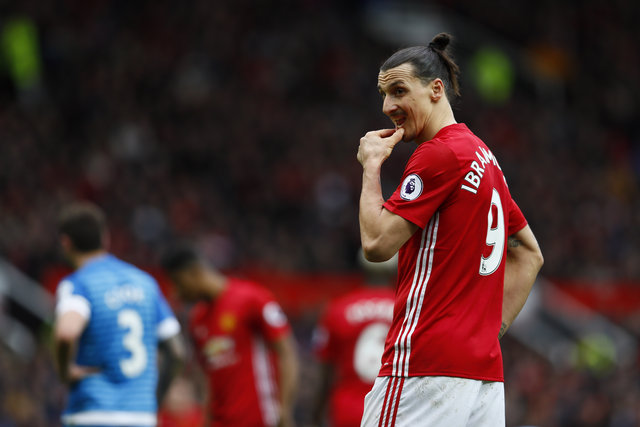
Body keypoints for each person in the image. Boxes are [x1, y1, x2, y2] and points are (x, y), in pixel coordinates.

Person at [356, 33, 544, 426]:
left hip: (424, 367)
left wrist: (371, 165)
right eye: (384, 94)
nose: (388, 106)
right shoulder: (485, 159)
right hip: (482, 376)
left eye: (399, 90)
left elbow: (376, 243)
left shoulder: (439, 153)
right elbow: (529, 254)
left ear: (436, 90)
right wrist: (486, 333)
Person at [53, 202, 185, 427]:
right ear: (105, 238)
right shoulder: (146, 283)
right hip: (141, 416)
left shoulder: (79, 284)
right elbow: (177, 352)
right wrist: (153, 403)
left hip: (93, 413)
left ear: (66, 243)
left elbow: (66, 332)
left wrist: (65, 371)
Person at [161, 244, 299, 427]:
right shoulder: (197, 320)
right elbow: (208, 378)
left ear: (194, 273)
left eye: (178, 283)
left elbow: (286, 353)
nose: (176, 293)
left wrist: (285, 409)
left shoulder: (252, 299)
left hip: (259, 419)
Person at [310, 250, 396, 427]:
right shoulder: (408, 310)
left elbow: (325, 374)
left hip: (348, 412)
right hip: (393, 411)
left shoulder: (337, 310)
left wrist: (316, 416)